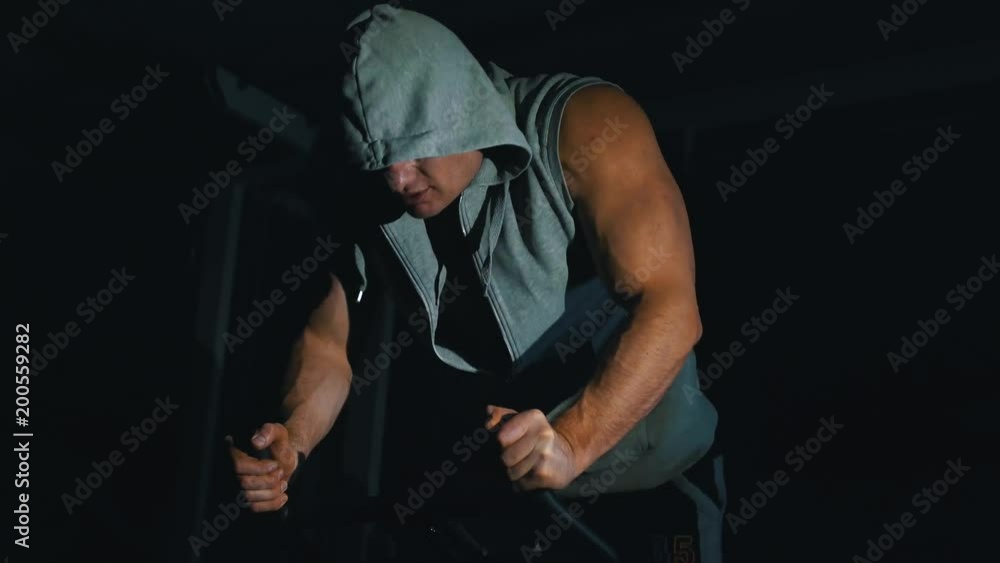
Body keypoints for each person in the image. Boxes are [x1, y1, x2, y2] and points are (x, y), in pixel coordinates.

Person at [228, 4, 725, 561]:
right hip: (512, 503)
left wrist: (573, 442)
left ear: (459, 111)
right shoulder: (372, 192)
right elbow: (327, 339)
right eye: (380, 158)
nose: (398, 178)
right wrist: (294, 439)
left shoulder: (587, 123)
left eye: (415, 147)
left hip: (653, 483)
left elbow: (671, 307)